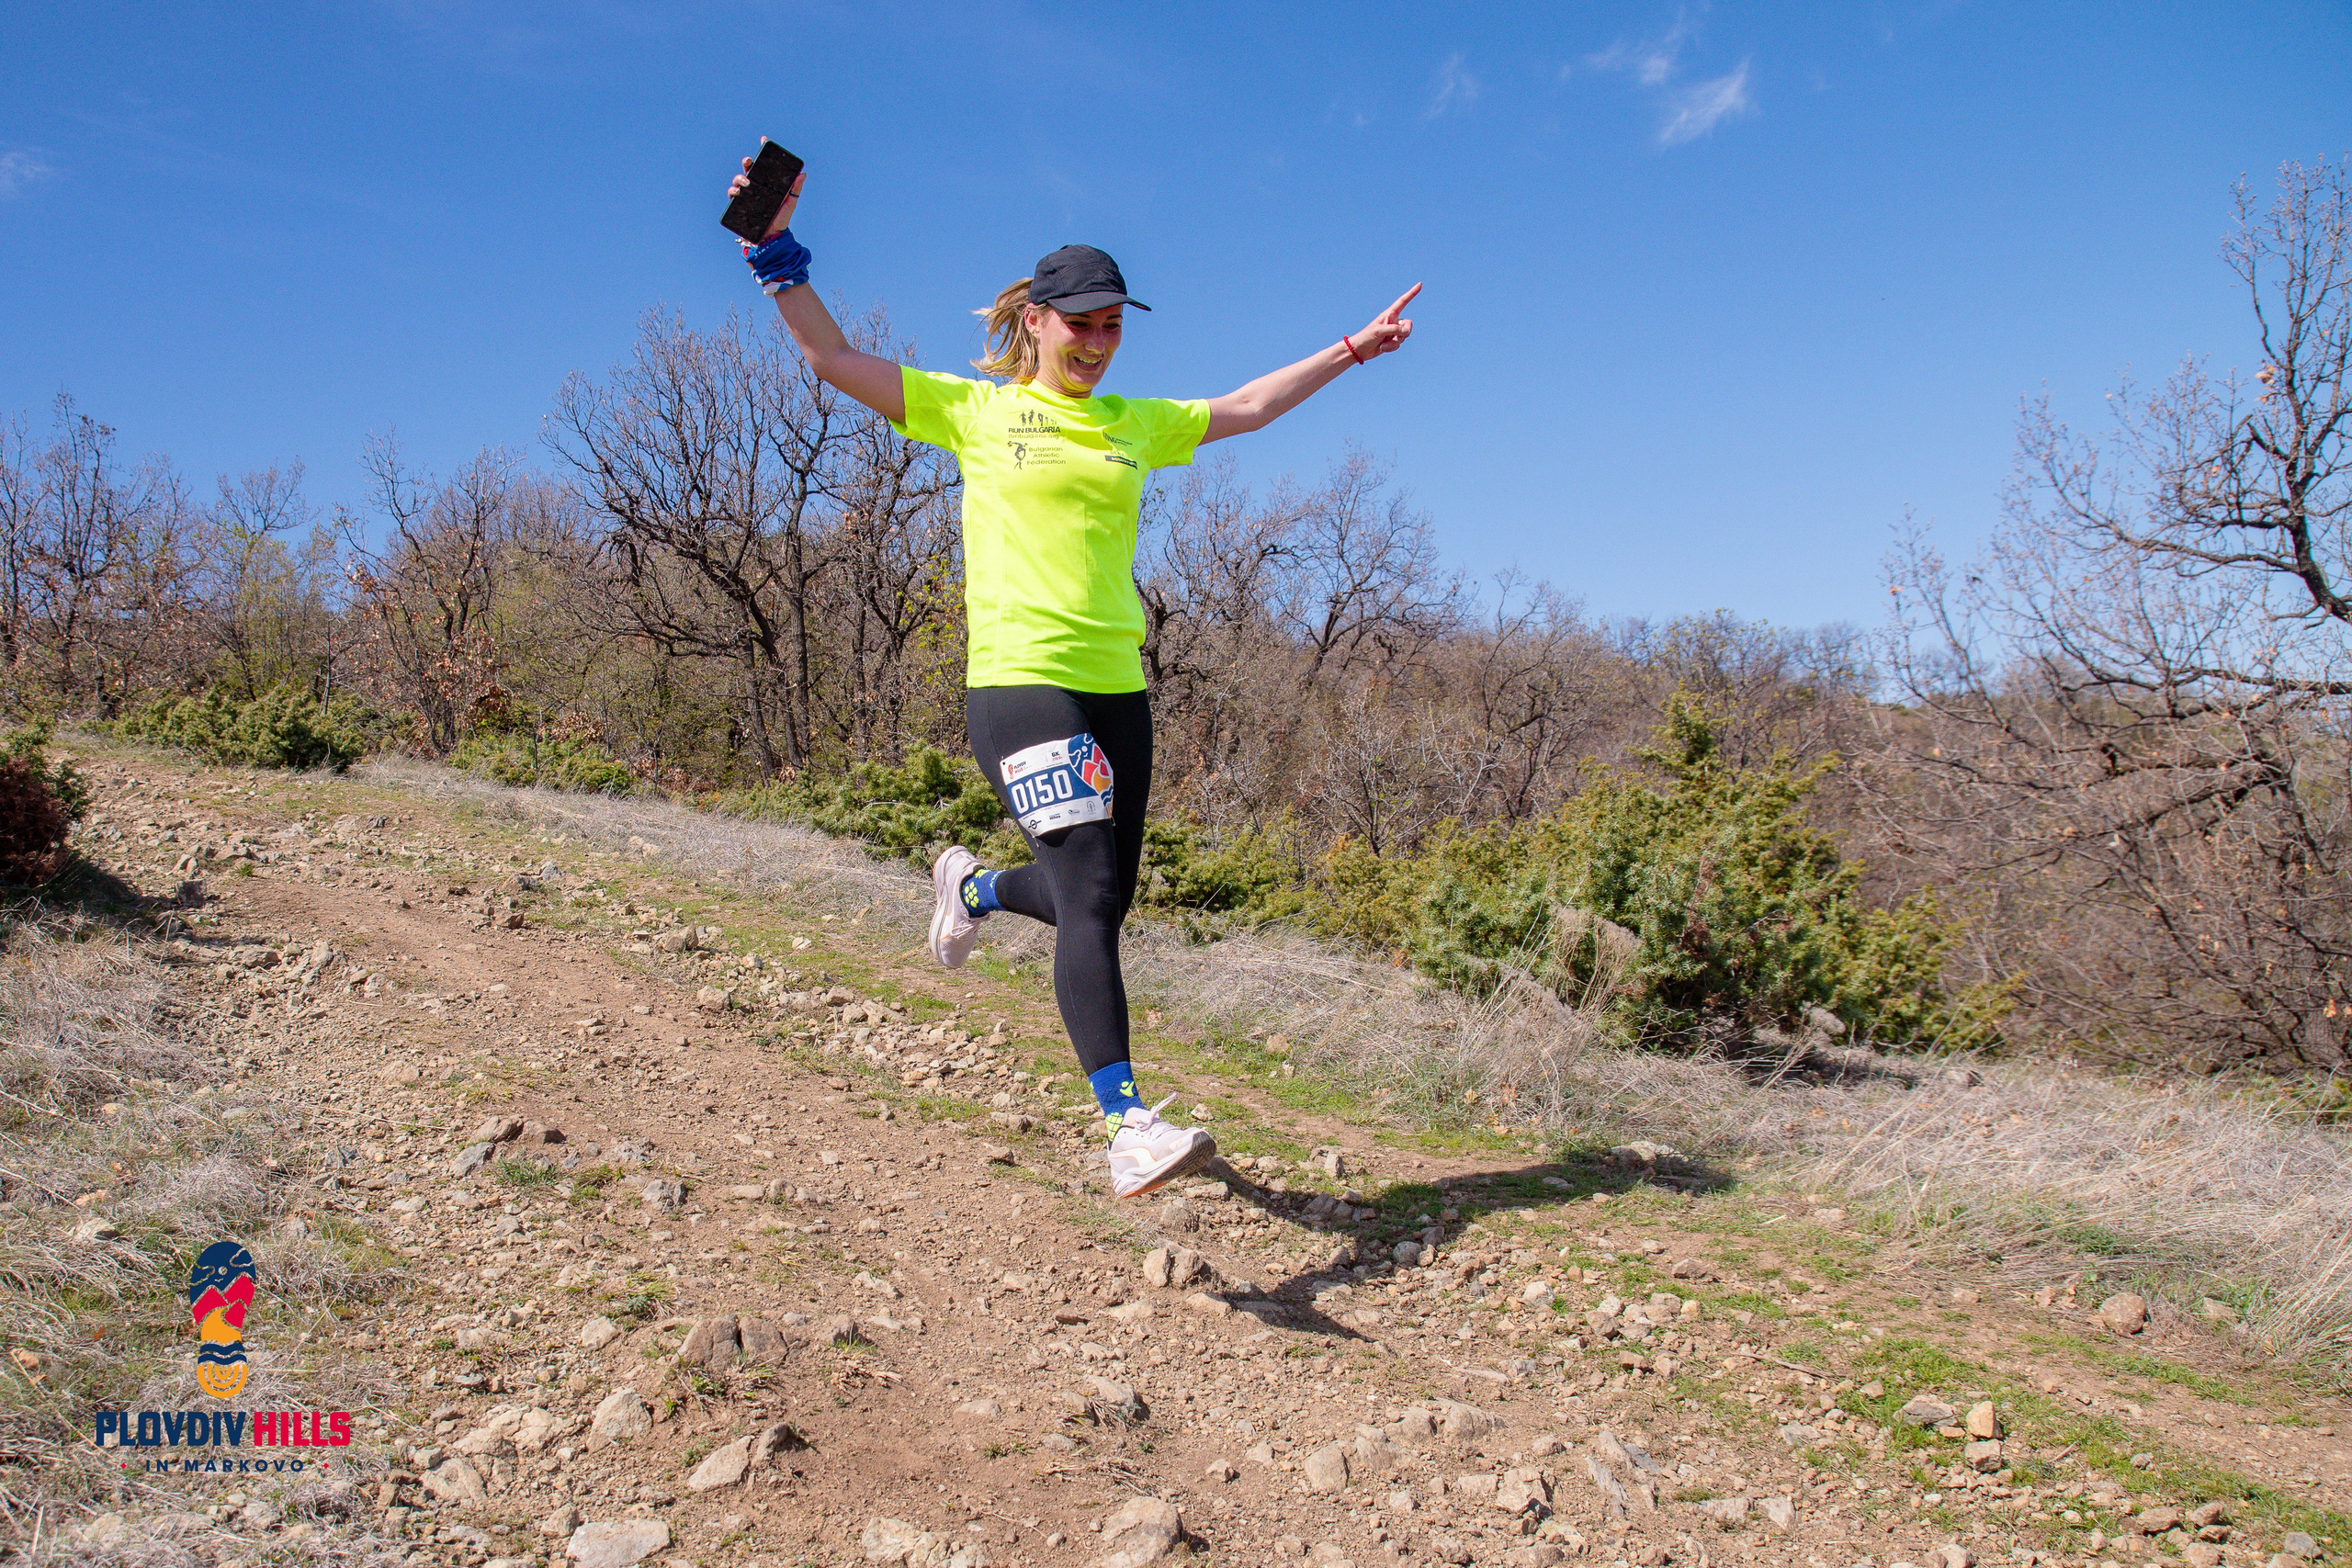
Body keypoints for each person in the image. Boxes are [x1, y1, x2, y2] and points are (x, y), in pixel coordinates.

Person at [728, 153, 1419, 1198]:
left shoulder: (1134, 425)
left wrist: (1351, 350)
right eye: (1081, 323)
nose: (1098, 342)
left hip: (1116, 686)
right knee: (1090, 899)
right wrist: (773, 254)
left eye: (1113, 326)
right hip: (1020, 681)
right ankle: (1126, 1122)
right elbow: (832, 359)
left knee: (1097, 895)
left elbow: (1247, 407)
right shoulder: (974, 411)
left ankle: (972, 886)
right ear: (1035, 321)